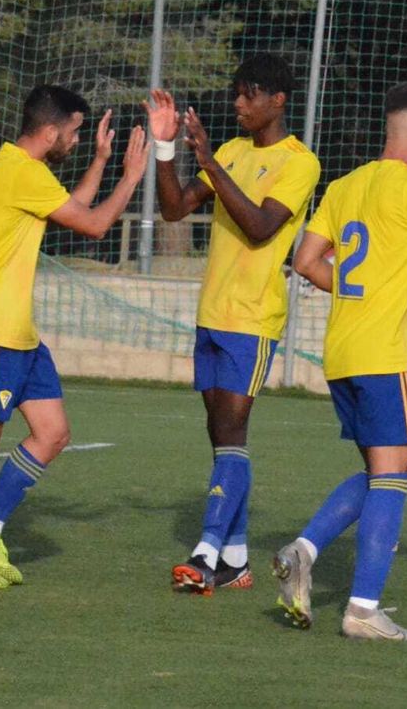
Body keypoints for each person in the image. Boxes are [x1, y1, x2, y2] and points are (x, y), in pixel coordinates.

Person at [273, 84, 407, 641]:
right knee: (394, 475)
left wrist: (356, 291)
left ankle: (303, 550)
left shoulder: (347, 185)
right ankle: (363, 610)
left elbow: (305, 260)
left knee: (381, 470)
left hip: (342, 351)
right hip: (386, 353)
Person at [0, 85, 150, 589]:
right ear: (50, 131)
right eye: (74, 132)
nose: (75, 140)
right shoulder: (23, 174)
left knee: (52, 433)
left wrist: (98, 161)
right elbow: (93, 224)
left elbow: (70, 205)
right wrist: (131, 176)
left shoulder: (9, 165)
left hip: (18, 332)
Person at [150, 54, 321, 595]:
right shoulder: (230, 150)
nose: (238, 105)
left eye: (249, 95)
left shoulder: (300, 162)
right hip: (211, 314)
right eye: (236, 95)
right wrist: (166, 148)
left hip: (252, 318)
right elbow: (175, 209)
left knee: (231, 429)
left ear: (278, 100)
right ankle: (238, 555)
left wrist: (208, 159)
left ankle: (206, 554)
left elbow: (260, 227)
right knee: (222, 434)